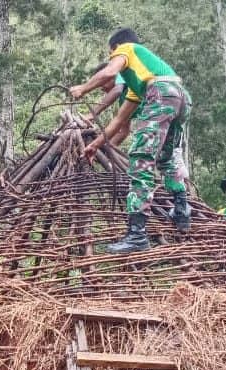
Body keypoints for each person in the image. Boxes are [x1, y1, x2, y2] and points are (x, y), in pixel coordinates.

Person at [70, 28, 194, 253]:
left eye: (112, 54)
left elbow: (109, 73)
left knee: (140, 159)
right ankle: (181, 211)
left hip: (163, 93)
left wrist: (83, 88)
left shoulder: (127, 48)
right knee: (166, 157)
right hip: (180, 98)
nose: (113, 57)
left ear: (115, 48)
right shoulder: (139, 86)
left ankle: (137, 235)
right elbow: (118, 121)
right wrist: (95, 145)